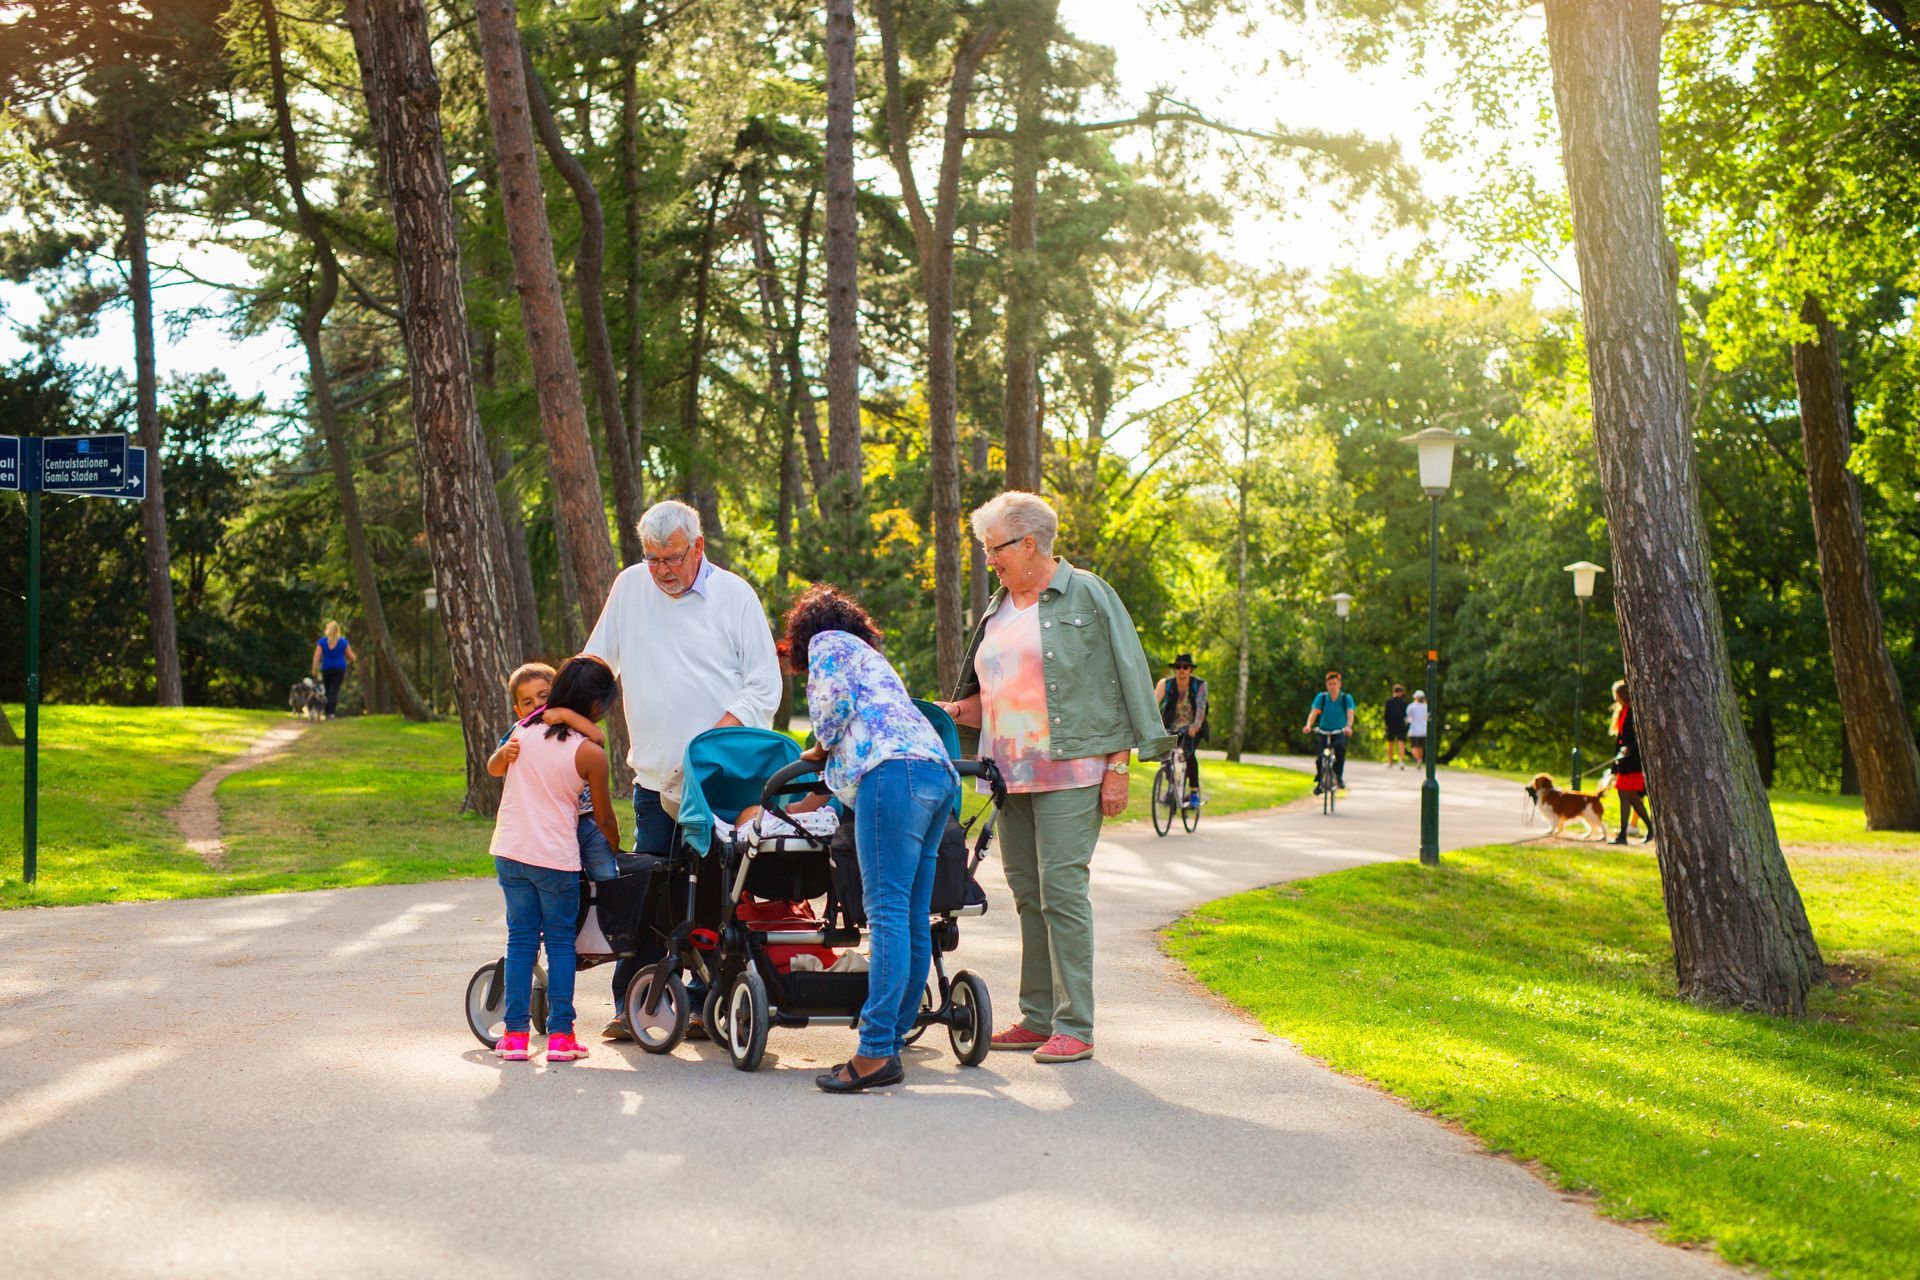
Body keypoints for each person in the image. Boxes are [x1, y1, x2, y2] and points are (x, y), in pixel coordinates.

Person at [933, 491, 1171, 1065]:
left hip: (1073, 767)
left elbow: (1123, 676)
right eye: (988, 550)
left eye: (996, 549)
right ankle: (1038, 1015)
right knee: (1029, 895)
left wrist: (1119, 767)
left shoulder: (1087, 593)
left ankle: (1076, 1024)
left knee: (1062, 890)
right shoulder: (998, 607)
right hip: (1008, 772)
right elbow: (994, 693)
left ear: (1030, 543)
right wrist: (953, 711)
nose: (991, 560)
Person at [583, 499, 782, 1039]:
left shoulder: (734, 595)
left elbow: (765, 686)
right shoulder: (629, 587)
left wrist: (710, 744)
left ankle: (704, 1003)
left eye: (672, 558)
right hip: (654, 777)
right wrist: (562, 712)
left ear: (698, 547)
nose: (663, 570)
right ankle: (635, 1003)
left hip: (716, 782)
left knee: (715, 891)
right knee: (650, 888)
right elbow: (599, 663)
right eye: (653, 558)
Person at [781, 585, 958, 1093]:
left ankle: (874, 1053)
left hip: (890, 772)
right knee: (912, 914)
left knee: (886, 914)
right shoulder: (872, 656)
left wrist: (817, 749)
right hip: (936, 773)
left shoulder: (826, 645)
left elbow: (832, 710)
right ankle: (893, 1036)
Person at [486, 654, 622, 1064]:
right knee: (561, 944)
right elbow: (603, 817)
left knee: (521, 942)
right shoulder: (590, 754)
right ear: (596, 708)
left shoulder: (522, 729)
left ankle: (514, 1036)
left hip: (510, 851)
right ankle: (561, 1036)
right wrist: (614, 846)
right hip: (554, 859)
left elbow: (546, 718)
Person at [488, 662, 633, 882]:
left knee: (604, 875)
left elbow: (598, 737)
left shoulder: (569, 720)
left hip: (587, 818)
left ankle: (607, 907)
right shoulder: (522, 728)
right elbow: (494, 769)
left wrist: (566, 715)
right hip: (552, 820)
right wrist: (502, 755)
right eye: (528, 702)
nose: (537, 704)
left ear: (556, 693)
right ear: (518, 710)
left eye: (543, 696)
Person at [1153, 654, 1208, 808]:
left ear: (1190, 669)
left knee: (1188, 754)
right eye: (1178, 667)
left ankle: (1194, 793)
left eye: (1185, 667)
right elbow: (1152, 704)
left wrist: (1195, 726)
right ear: (1174, 669)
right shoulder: (1165, 684)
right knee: (1165, 756)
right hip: (1171, 726)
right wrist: (1151, 725)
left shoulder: (1200, 685)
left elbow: (1201, 708)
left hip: (1192, 728)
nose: (1181, 670)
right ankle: (1171, 789)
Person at [1608, 680, 1653, 844]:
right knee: (1624, 795)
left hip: (1633, 761)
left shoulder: (1634, 712)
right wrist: (1615, 765)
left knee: (1632, 796)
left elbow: (1638, 738)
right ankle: (1623, 834)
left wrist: (1629, 749)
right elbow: (1619, 740)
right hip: (1624, 761)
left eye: (1617, 694)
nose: (1615, 698)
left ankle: (1650, 828)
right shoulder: (1623, 711)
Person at [1303, 670, 1356, 792]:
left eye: (1334, 683)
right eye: (1330, 684)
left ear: (1339, 684)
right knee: (1320, 758)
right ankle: (1320, 782)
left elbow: (1350, 713)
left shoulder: (1346, 698)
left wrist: (1348, 726)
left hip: (1339, 731)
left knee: (1340, 748)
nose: (1332, 686)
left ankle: (1338, 777)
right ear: (1327, 685)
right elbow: (1313, 713)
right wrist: (1308, 725)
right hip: (1323, 731)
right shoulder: (1321, 698)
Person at [311, 621, 356, 719]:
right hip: (339, 668)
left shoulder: (322, 642)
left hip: (326, 668)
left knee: (327, 690)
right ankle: (331, 713)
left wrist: (314, 670)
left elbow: (316, 657)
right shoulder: (343, 642)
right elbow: (351, 657)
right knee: (334, 691)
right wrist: (352, 660)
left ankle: (326, 712)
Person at [1383, 683, 1409, 769]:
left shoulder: (1394, 702)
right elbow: (1386, 715)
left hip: (1395, 725)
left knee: (1397, 743)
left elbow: (1386, 715)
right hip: (1395, 725)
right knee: (1395, 743)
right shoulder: (1402, 703)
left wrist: (1386, 724)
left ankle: (1396, 762)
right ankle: (1394, 761)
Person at [1405, 689, 1429, 767]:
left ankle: (1418, 760)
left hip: (1414, 730)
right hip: (1423, 730)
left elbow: (1408, 718)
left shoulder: (1412, 706)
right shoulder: (1426, 707)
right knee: (1421, 747)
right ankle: (1420, 759)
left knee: (1414, 747)